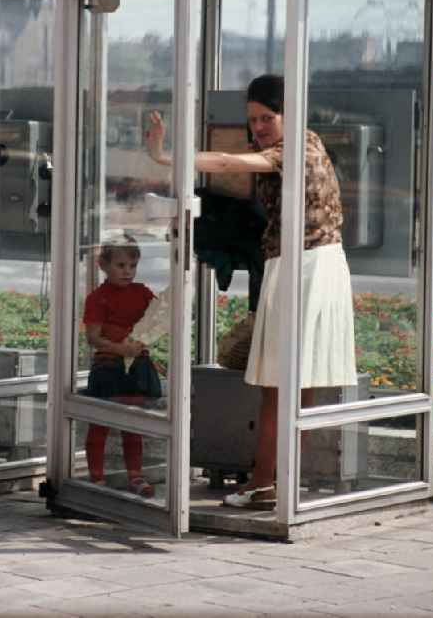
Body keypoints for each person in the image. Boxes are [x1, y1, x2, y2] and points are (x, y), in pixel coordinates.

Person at [146, 74, 356, 509]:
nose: (259, 127)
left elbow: (228, 164)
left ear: (289, 114)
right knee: (299, 385)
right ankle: (280, 482)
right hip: (323, 264)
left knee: (277, 387)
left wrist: (166, 157)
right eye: (253, 119)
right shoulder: (310, 141)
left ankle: (264, 486)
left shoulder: (291, 149)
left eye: (268, 117)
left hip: (301, 267)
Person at [83, 234, 158, 498]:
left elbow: (159, 317)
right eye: (121, 265)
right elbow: (93, 338)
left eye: (132, 266)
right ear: (103, 266)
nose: (127, 272)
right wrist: (121, 348)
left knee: (132, 424)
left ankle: (135, 475)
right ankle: (96, 476)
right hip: (107, 368)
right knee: (99, 423)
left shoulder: (142, 293)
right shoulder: (98, 298)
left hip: (135, 368)